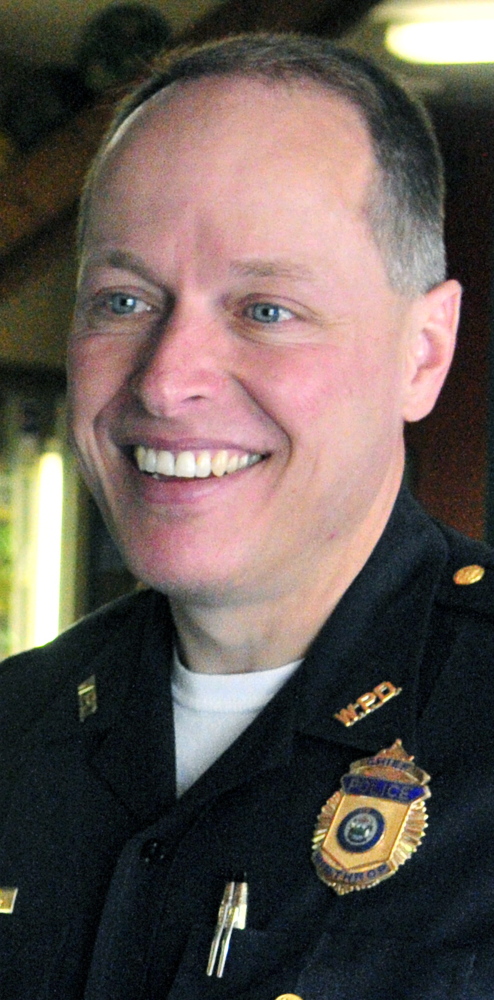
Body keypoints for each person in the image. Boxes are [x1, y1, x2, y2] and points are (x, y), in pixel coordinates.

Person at [1, 32, 493, 1000]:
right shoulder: (15, 733)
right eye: (124, 298)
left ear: (422, 352)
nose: (168, 378)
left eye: (265, 308)